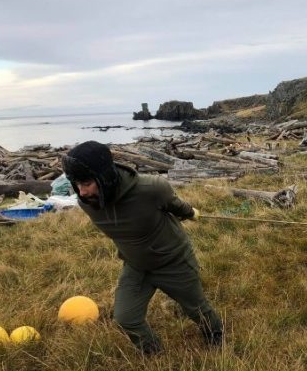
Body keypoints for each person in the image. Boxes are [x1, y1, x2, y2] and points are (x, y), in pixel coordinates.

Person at [61, 141, 222, 354]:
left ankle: (216, 335)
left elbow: (175, 205)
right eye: (77, 184)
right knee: (125, 317)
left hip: (174, 262)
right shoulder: (88, 204)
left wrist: (190, 212)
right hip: (137, 267)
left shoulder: (151, 188)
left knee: (197, 310)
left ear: (105, 176)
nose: (82, 192)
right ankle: (153, 352)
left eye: (87, 183)